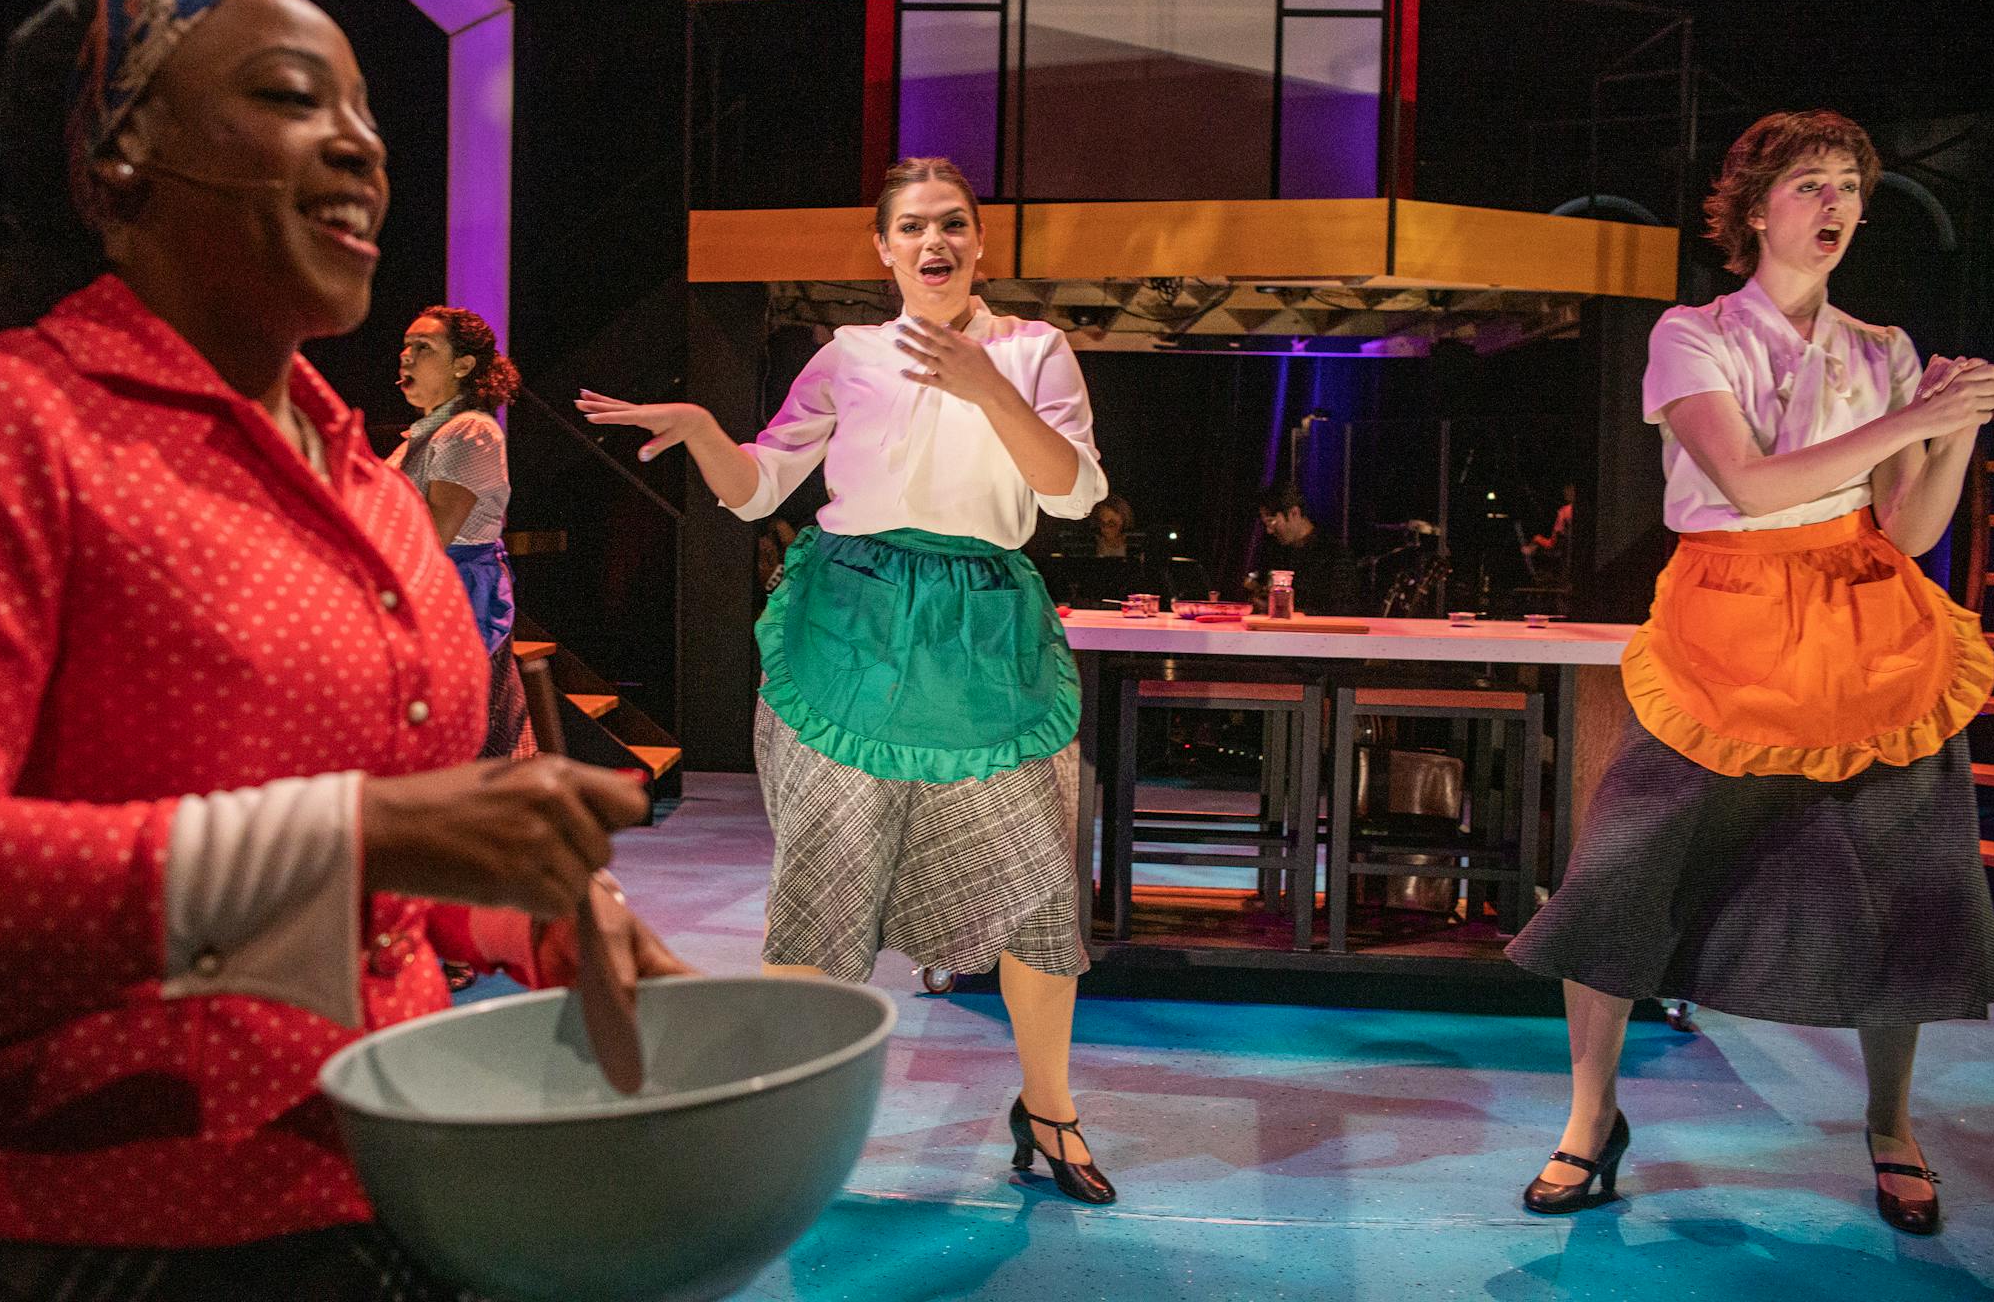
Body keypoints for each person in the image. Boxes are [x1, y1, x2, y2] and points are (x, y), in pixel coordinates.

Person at [0, 0, 685, 1297]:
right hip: (53, 1236)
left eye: (367, 112)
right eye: (298, 97)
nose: (362, 143)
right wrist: (348, 831)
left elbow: (383, 886)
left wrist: (523, 918)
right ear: (118, 158)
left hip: (395, 1196)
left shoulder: (374, 487)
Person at [1504, 110, 1994, 1234]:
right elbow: (1751, 487)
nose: (1831, 204)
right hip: (1728, 625)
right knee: (1620, 877)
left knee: (1899, 887)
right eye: (1808, 184)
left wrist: (1954, 429)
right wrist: (1910, 422)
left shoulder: (1885, 350)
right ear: (1755, 210)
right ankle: (1590, 1119)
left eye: (1848, 187)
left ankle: (1890, 1126)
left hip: (1872, 630)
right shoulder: (1694, 335)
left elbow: (1911, 526)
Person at [581, 157, 1120, 1204]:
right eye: (914, 226)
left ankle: (1050, 1109)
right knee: (822, 886)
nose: (935, 243)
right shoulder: (847, 354)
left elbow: (1070, 491)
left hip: (981, 636)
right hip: (853, 630)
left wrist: (987, 385)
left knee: (1039, 889)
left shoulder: (1035, 348)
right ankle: (783, 1114)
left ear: (977, 242)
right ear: (883, 249)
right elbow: (759, 487)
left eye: (954, 225)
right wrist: (703, 432)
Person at [391, 305, 530, 758]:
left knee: (464, 738)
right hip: (430, 590)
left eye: (424, 348)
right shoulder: (424, 435)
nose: (406, 357)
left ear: (463, 365)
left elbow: (433, 534)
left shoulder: (470, 431)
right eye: (407, 346)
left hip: (454, 594)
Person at [1250, 479, 1362, 615]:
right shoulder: (1278, 551)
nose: (1269, 530)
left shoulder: (1334, 555)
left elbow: (1343, 609)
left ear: (1294, 513)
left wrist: (1284, 610)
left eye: (1271, 521)